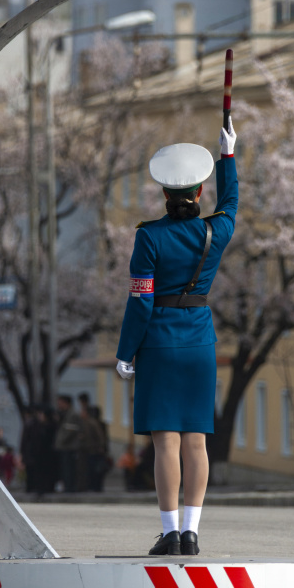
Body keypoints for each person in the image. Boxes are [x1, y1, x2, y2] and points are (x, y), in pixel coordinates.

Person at [116, 119, 238, 556]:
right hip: (200, 343)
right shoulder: (216, 230)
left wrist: (126, 352)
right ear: (199, 193)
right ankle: (192, 532)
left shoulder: (149, 237)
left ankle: (168, 533)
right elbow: (232, 203)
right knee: (196, 440)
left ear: (164, 195)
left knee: (165, 441)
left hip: (160, 345)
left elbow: (141, 302)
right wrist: (228, 158)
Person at [54, 395, 86, 492]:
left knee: (69, 469)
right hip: (65, 447)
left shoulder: (72, 415)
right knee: (65, 468)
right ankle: (68, 486)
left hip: (69, 447)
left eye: (60, 402)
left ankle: (70, 488)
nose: (58, 405)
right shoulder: (64, 414)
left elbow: (70, 431)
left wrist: (61, 441)